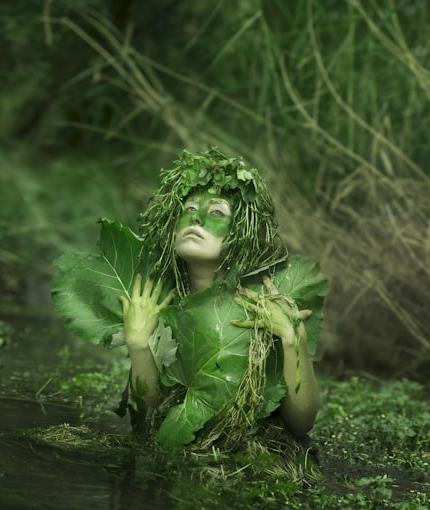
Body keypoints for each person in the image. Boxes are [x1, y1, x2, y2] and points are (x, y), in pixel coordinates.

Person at [117, 148, 322, 447]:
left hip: (252, 462)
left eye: (216, 213)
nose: (195, 219)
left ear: (243, 234)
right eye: (187, 210)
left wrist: (293, 338)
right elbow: (149, 410)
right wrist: (137, 344)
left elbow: (301, 424)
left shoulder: (264, 308)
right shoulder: (160, 302)